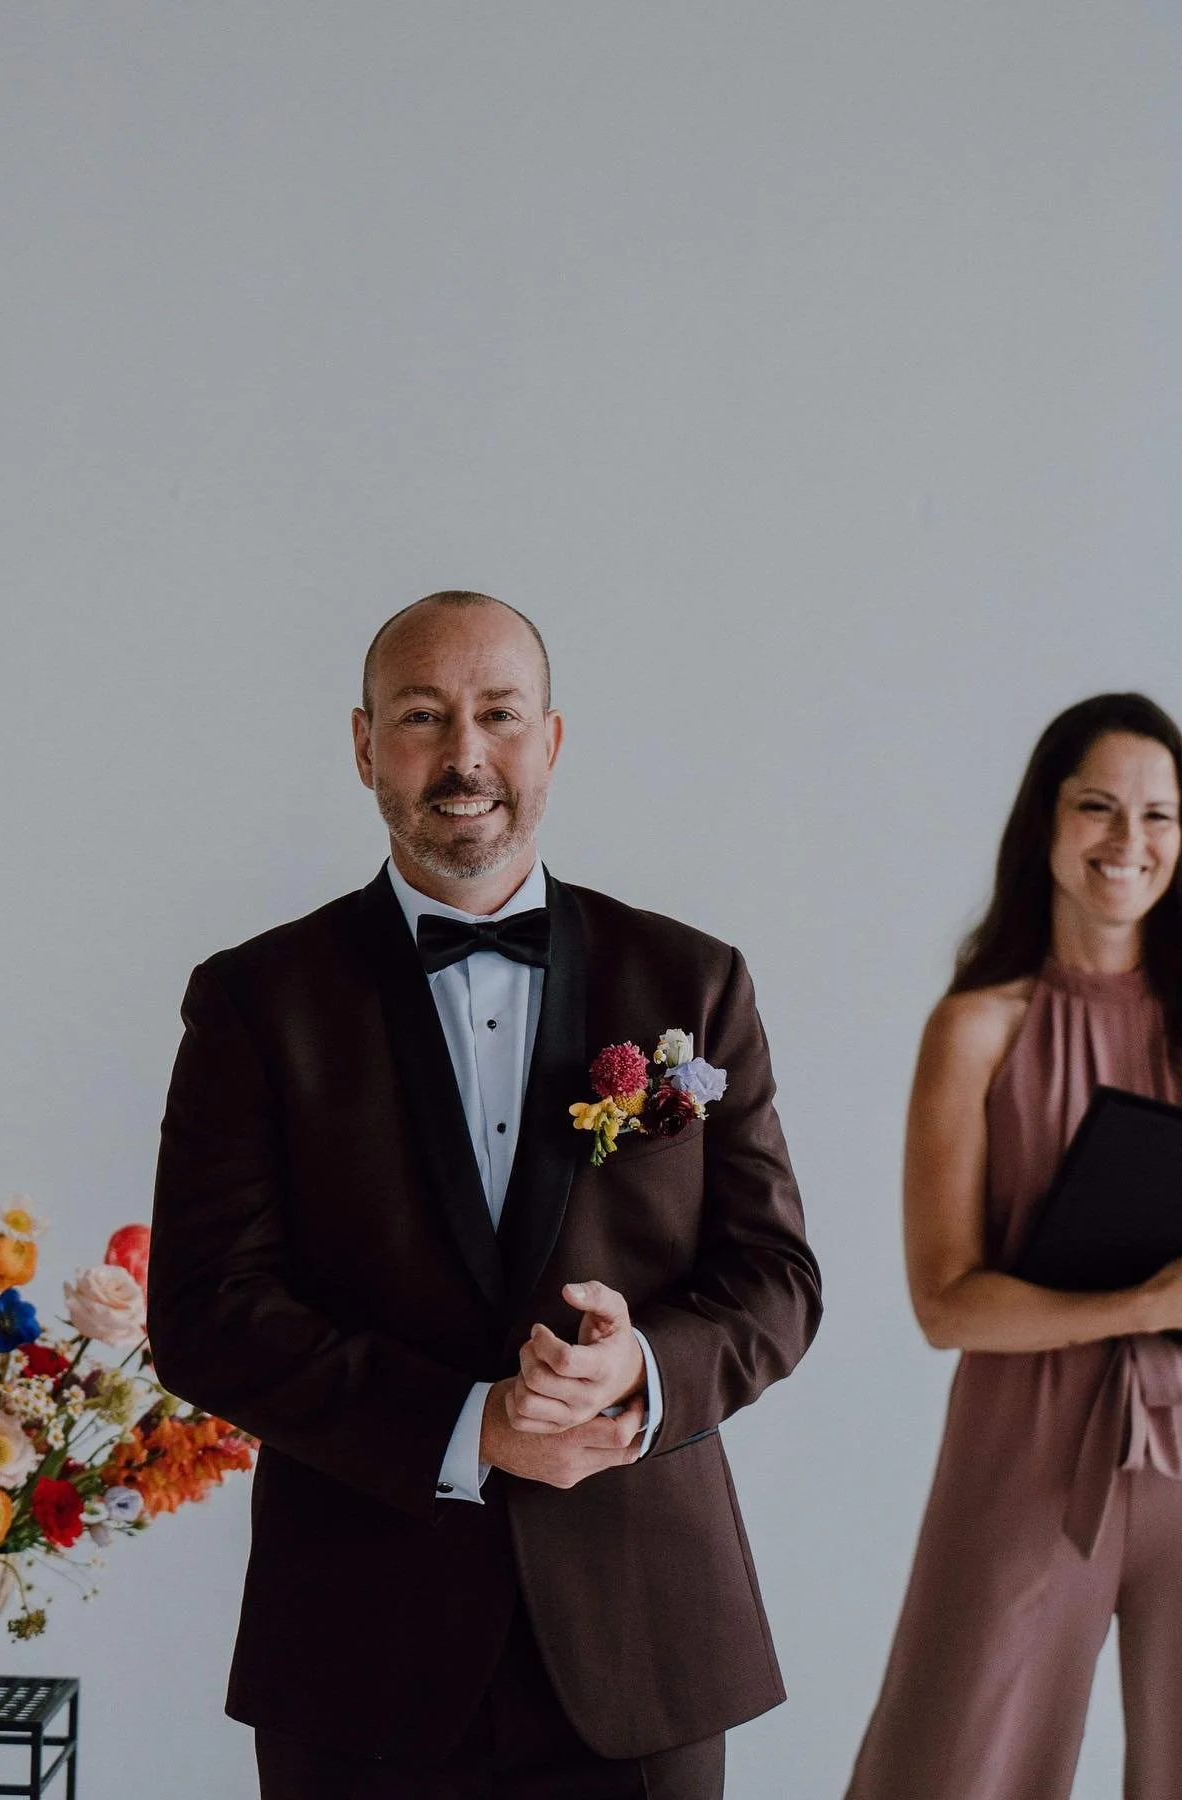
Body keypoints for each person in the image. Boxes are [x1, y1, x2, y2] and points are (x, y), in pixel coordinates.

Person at [147, 590, 821, 1799]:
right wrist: (467, 1425)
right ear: (363, 747)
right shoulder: (256, 1001)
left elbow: (776, 1281)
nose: (466, 755)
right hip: (361, 1648)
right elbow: (206, 1309)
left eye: (499, 714)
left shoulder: (693, 979)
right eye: (422, 716)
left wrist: (641, 1371)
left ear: (551, 740)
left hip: (645, 1645)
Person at [845, 692, 1182, 1800]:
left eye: (1160, 816)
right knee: (957, 1767)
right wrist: (1143, 1305)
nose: (1129, 844)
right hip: (1026, 1449)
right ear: (1045, 820)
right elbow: (943, 1302)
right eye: (1099, 807)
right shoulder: (980, 1026)